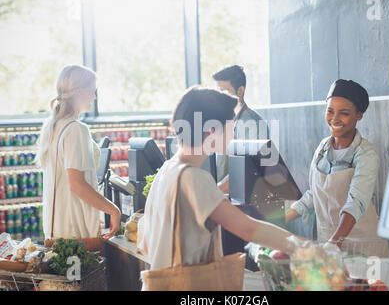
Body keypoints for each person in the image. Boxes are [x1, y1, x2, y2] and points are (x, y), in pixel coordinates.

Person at [137, 87, 308, 270]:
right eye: (231, 124)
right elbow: (248, 229)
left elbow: (145, 242)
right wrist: (304, 246)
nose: (233, 132)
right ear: (212, 130)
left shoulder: (167, 170)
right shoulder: (194, 177)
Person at [285, 79, 389, 256]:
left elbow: (356, 202)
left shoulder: (366, 154)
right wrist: (281, 219)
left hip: (363, 249)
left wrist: (335, 242)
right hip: (329, 245)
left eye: (344, 113)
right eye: (330, 111)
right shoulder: (322, 148)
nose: (334, 119)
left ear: (359, 115)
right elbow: (315, 193)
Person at [37, 65, 121, 240]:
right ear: (78, 92)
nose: (94, 96)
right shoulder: (77, 129)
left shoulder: (52, 126)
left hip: (56, 231)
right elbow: (77, 185)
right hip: (75, 231)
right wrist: (114, 210)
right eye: (91, 91)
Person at [212, 65, 270, 193]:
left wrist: (212, 193)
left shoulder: (254, 124)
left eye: (224, 91)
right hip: (223, 198)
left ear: (240, 91)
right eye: (218, 92)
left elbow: (247, 170)